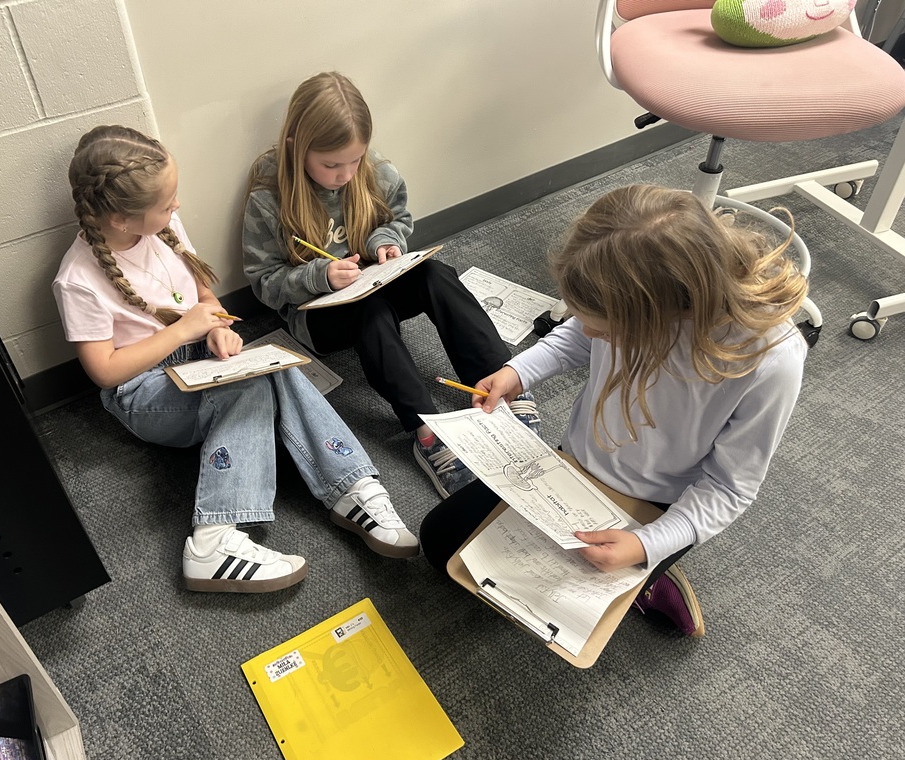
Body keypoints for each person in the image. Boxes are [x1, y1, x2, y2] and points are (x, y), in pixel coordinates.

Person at [419, 184, 810, 636]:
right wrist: (518, 371)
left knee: (567, 611)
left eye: (605, 328)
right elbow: (576, 337)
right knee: (439, 545)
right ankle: (643, 571)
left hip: (658, 505)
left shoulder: (770, 359)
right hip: (573, 465)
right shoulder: (627, 301)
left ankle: (652, 577)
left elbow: (729, 489)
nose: (589, 330)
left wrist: (646, 543)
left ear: (659, 315)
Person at [53, 125, 419, 595]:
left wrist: (219, 329)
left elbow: (203, 292)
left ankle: (352, 487)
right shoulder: (77, 279)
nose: (177, 208)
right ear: (122, 220)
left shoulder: (160, 225)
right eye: (167, 204)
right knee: (248, 386)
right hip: (142, 389)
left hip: (196, 353)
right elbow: (104, 371)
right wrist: (187, 329)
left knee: (274, 365)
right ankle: (212, 541)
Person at [241, 71, 541, 499]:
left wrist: (386, 243)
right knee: (370, 312)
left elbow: (396, 221)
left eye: (354, 161)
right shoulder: (269, 198)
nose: (345, 174)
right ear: (296, 147)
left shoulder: (375, 171)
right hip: (317, 316)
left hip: (371, 281)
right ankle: (426, 430)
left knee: (436, 274)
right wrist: (319, 276)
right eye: (330, 165)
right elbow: (264, 284)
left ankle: (500, 381)